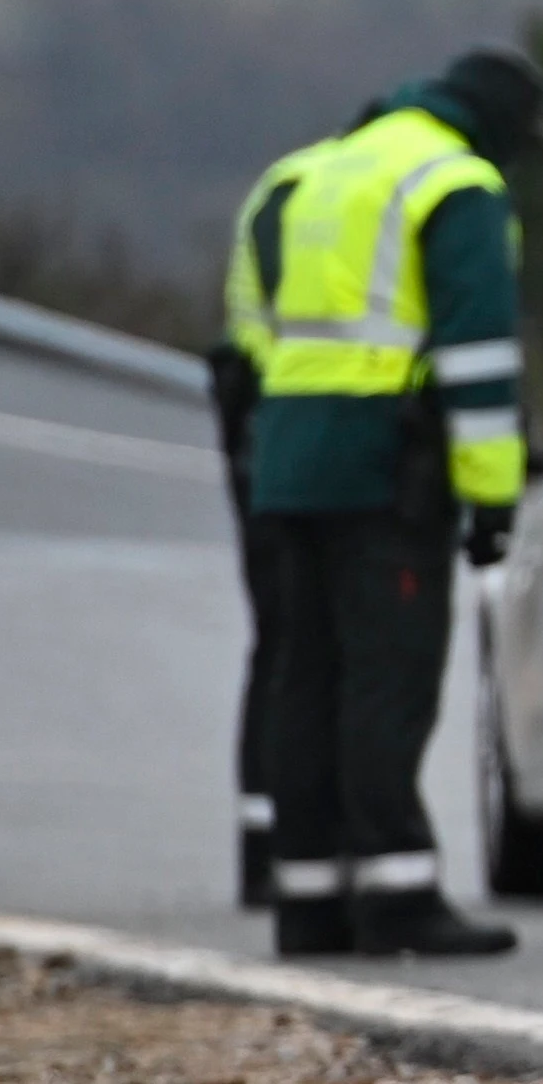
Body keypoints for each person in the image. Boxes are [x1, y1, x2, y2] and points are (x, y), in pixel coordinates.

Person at [246, 49, 543, 959]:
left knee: (311, 676)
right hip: (388, 468)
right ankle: (398, 892)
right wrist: (493, 498)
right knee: (390, 679)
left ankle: (308, 895)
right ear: (495, 121)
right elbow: (476, 359)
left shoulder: (324, 168)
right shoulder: (454, 184)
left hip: (293, 458)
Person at [213, 126, 346, 908]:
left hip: (262, 422)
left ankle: (268, 843)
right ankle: (284, 840)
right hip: (293, 425)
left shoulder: (291, 181)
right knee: (298, 644)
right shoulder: (351, 190)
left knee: (282, 644)